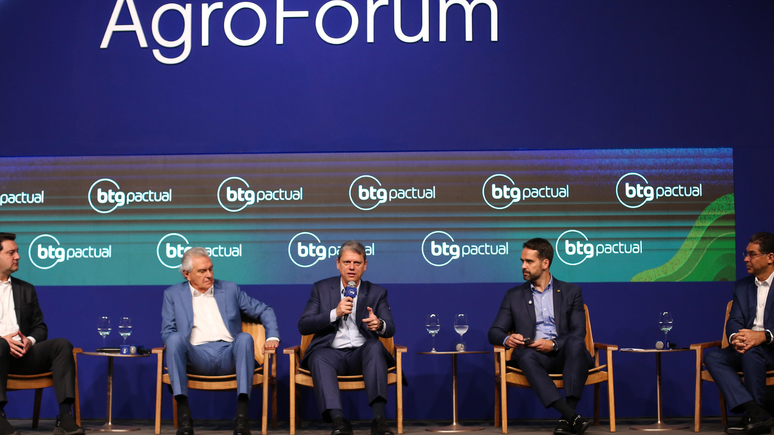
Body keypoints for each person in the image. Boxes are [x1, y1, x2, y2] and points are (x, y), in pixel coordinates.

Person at [161, 247, 280, 435]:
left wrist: (272, 336)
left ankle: (242, 418)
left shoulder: (230, 289)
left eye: (210, 269)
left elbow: (264, 310)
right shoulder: (172, 294)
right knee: (173, 339)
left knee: (244, 338)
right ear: (186, 274)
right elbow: (167, 332)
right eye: (202, 271)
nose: (209, 275)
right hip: (196, 357)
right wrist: (174, 352)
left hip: (229, 355)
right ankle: (185, 418)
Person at [488, 238, 593, 435]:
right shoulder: (513, 295)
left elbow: (579, 330)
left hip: (567, 355)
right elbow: (494, 332)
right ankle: (571, 416)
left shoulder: (572, 292)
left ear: (545, 263)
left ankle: (567, 417)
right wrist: (507, 339)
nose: (523, 266)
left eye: (529, 261)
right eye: (522, 261)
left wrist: (553, 344)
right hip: (535, 358)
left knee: (575, 342)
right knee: (525, 355)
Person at [298, 241, 395, 435]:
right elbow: (304, 325)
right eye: (347, 262)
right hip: (331, 354)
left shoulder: (377, 292)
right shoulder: (321, 288)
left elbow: (390, 328)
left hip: (362, 355)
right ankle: (339, 421)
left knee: (375, 346)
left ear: (365, 265)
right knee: (318, 356)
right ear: (338, 264)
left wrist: (379, 324)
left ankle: (379, 420)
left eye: (357, 263)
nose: (351, 267)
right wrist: (334, 313)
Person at [0, 232, 84, 435]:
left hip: (25, 356)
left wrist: (29, 340)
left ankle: (65, 417)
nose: (18, 256)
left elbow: (40, 328)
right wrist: (2, 340)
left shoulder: (26, 289)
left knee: (62, 345)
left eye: (17, 252)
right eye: (11, 252)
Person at [705, 232, 774, 435]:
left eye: (752, 254)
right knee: (714, 357)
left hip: (771, 349)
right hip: (747, 347)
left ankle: (753, 416)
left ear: (770, 257)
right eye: (746, 254)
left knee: (751, 351)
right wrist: (736, 337)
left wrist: (764, 336)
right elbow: (734, 320)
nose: (746, 259)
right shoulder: (742, 286)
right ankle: (755, 412)